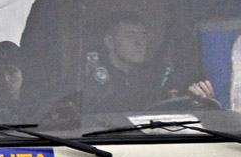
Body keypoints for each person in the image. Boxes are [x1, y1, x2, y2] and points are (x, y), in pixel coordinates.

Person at [84, 12, 214, 113]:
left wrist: (198, 101)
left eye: (143, 35)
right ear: (110, 42)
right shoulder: (91, 83)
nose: (141, 42)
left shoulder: (156, 77)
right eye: (131, 35)